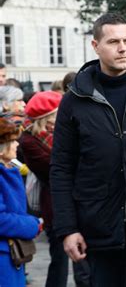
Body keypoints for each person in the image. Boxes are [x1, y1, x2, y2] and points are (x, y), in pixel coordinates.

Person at [50, 13, 126, 286]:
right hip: (99, 228)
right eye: (114, 41)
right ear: (95, 46)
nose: (123, 48)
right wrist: (67, 229)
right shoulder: (74, 100)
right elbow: (61, 168)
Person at [19, 91, 68, 286]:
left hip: (75, 200)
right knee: (60, 257)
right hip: (53, 204)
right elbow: (53, 168)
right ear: (47, 117)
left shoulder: (61, 133)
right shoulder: (29, 141)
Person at [0, 117, 42, 287]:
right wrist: (32, 225)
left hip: (9, 254)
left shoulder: (7, 169)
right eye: (12, 141)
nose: (17, 145)